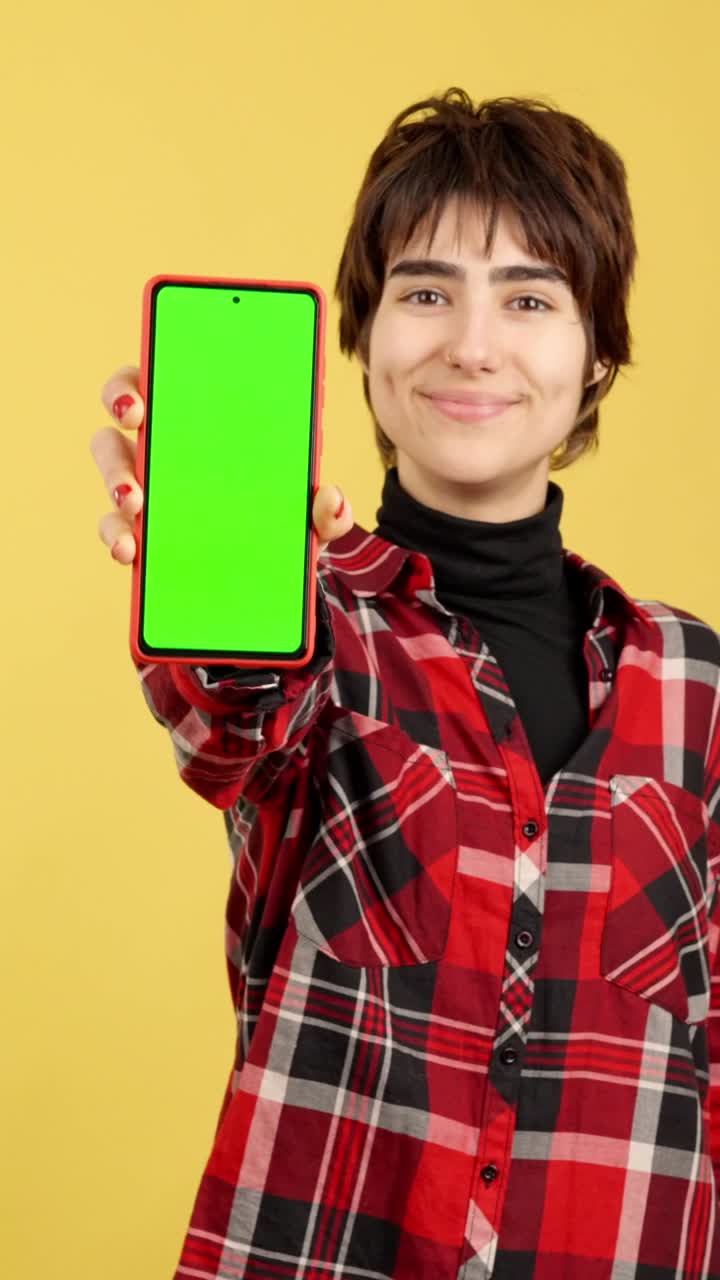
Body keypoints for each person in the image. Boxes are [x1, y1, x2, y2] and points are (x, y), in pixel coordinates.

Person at [91, 87, 720, 1280]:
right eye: (426, 291)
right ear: (363, 338)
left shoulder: (699, 688)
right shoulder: (312, 624)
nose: (471, 343)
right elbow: (227, 718)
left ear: (598, 357)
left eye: (530, 298)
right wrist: (211, 553)